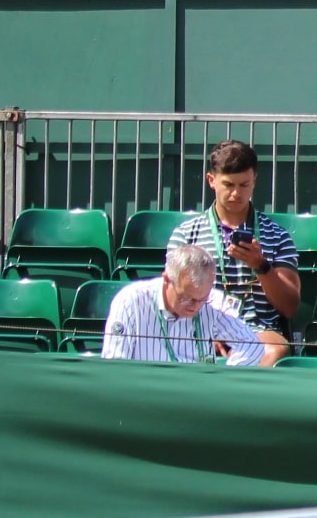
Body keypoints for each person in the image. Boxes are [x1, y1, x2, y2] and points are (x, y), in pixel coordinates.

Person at [168, 138, 299, 365]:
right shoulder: (186, 235)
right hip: (198, 326)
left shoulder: (277, 236)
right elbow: (172, 296)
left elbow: (289, 307)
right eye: (228, 185)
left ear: (254, 182)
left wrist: (261, 266)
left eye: (244, 185)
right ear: (212, 180)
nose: (236, 193)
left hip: (257, 330)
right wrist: (207, 329)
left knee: (273, 350)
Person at [100, 243, 269, 365]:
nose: (195, 306)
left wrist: (222, 383)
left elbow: (252, 346)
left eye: (202, 298)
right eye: (186, 297)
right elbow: (115, 364)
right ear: (167, 280)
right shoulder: (131, 301)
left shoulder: (213, 302)